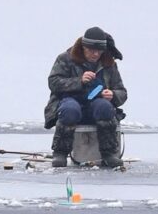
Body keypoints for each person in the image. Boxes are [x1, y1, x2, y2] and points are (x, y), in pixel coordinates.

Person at [44, 26, 127, 168]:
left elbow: (122, 92)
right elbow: (53, 82)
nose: (95, 54)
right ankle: (60, 153)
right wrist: (79, 81)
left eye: (99, 51)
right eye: (91, 50)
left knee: (105, 107)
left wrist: (113, 95)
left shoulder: (109, 63)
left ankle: (109, 154)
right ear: (83, 47)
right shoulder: (65, 59)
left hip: (96, 106)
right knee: (70, 109)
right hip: (69, 102)